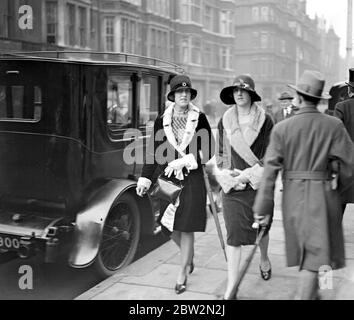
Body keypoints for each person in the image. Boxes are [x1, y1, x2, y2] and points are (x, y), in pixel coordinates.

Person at [253, 70, 354, 300]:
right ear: (319, 99)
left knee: (313, 252)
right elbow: (350, 165)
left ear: (298, 98)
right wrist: (337, 183)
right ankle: (309, 295)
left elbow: (269, 174)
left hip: (293, 198)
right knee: (320, 252)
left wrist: (262, 209)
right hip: (324, 196)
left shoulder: (282, 129)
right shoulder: (333, 125)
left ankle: (318, 293)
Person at [136, 75, 214, 295]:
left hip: (192, 178)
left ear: (190, 95)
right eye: (179, 92)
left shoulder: (200, 118)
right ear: (172, 95)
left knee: (186, 226)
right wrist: (145, 178)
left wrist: (186, 160)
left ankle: (183, 272)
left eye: (187, 92)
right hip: (168, 179)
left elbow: (208, 151)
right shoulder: (163, 119)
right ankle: (188, 255)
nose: (183, 95)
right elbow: (153, 152)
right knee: (167, 226)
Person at [216, 74, 274, 300]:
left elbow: (271, 155)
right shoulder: (225, 120)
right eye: (235, 90)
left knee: (262, 229)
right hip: (233, 188)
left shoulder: (266, 120)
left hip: (257, 185)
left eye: (243, 90)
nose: (238, 94)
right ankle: (232, 286)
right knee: (234, 236)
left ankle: (264, 257)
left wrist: (247, 176)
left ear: (251, 94)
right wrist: (227, 174)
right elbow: (220, 154)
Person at [334, 68, 354, 214]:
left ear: (349, 89)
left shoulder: (341, 107)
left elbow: (335, 137)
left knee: (337, 209)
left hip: (346, 167)